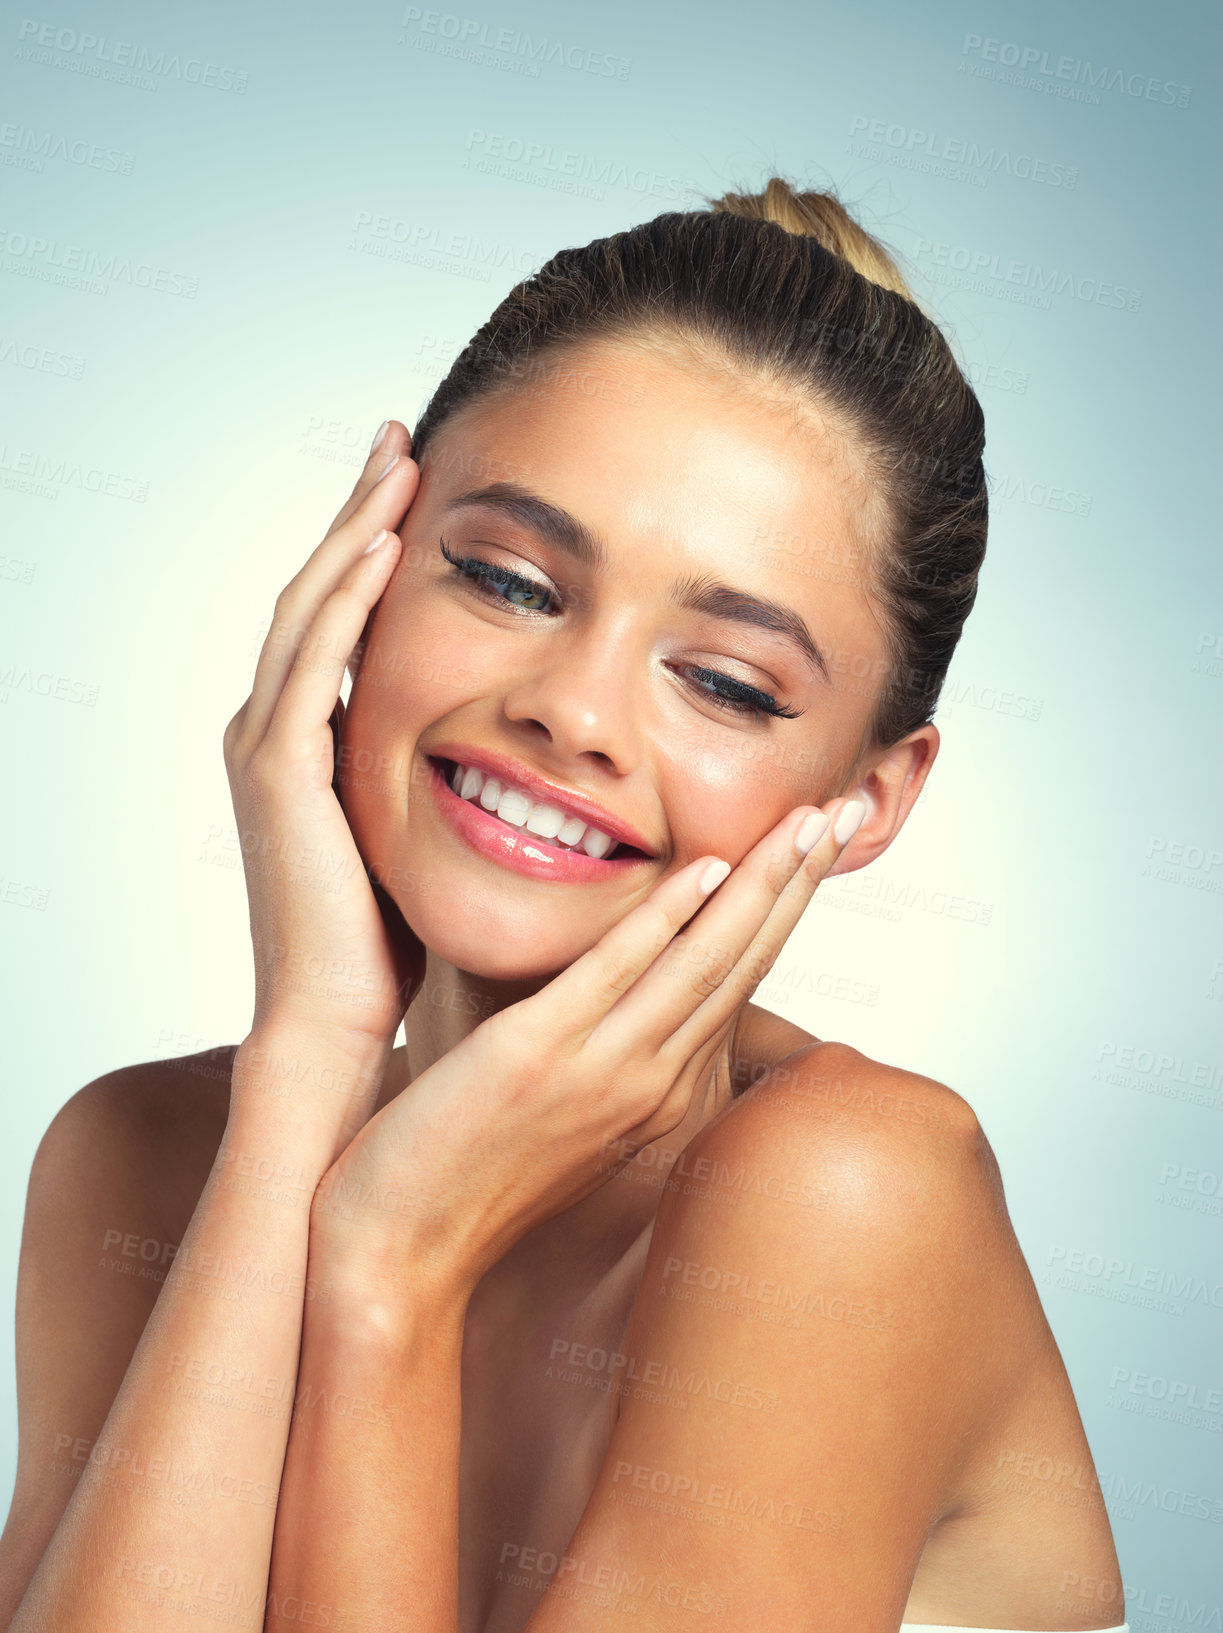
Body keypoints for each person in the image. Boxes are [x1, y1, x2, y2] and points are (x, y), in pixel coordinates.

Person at [0, 177, 1129, 1633]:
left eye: (724, 680)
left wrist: (392, 1267)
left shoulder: (847, 1195)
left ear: (870, 797)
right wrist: (309, 1067)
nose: (573, 711)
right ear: (362, 573)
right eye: (509, 579)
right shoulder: (144, 1162)